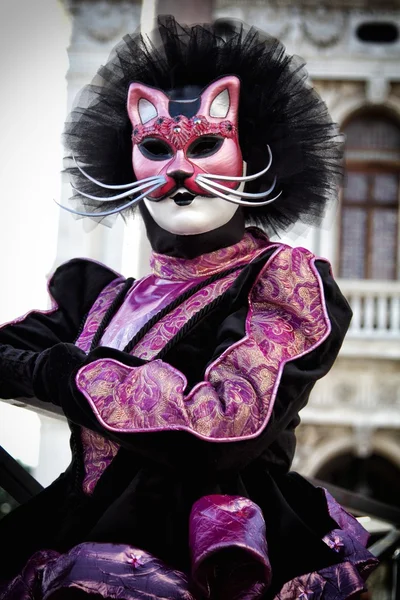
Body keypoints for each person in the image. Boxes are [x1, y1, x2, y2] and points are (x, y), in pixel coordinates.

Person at [0, 16, 377, 600]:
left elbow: (226, 422)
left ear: (252, 154)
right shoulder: (104, 299)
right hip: (71, 534)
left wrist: (61, 371)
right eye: (155, 147)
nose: (180, 170)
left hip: (212, 557)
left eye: (206, 146)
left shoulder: (281, 283)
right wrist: (39, 366)